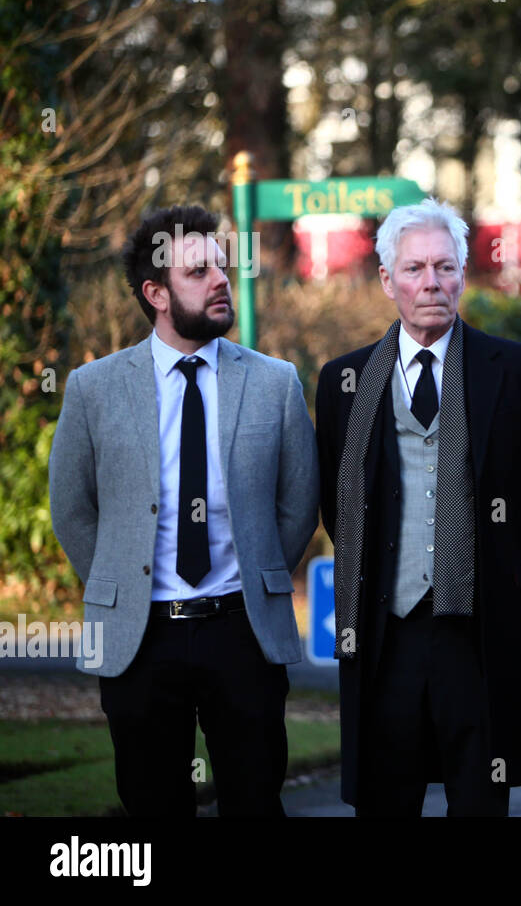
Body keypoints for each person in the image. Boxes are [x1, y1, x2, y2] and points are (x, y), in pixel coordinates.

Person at [48, 205, 319, 816]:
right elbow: (73, 508)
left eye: (221, 266)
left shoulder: (275, 383)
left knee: (254, 803)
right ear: (157, 293)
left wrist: (258, 571)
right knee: (152, 808)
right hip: (139, 641)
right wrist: (117, 582)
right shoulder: (93, 389)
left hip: (242, 632)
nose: (221, 279)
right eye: (199, 271)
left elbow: (298, 502)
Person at [316, 197, 521, 816]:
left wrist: (488, 564)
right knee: (384, 803)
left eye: (446, 268)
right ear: (386, 280)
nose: (433, 283)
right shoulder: (344, 382)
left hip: (480, 638)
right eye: (417, 268)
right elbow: (333, 503)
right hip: (383, 636)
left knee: (480, 804)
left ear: (463, 274)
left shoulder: (518, 370)